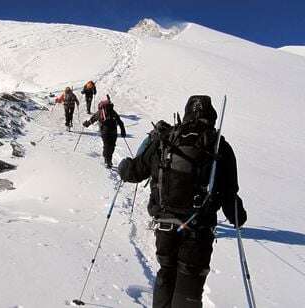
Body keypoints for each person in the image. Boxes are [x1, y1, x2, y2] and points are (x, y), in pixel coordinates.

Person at [117, 95, 247, 308]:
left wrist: (124, 167)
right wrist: (238, 217)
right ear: (212, 116)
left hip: (166, 227)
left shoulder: (166, 138)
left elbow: (135, 171)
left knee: (166, 272)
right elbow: (230, 196)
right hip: (199, 231)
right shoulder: (219, 146)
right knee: (190, 282)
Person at [83, 95, 126, 168]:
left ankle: (107, 160)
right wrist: (123, 131)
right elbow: (120, 122)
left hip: (104, 131)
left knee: (106, 145)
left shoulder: (100, 112)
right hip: (113, 131)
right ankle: (109, 160)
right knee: (112, 146)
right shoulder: (113, 112)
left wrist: (86, 124)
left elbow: (92, 119)